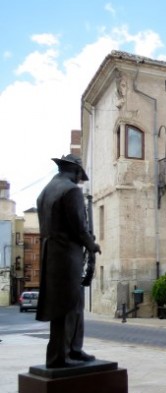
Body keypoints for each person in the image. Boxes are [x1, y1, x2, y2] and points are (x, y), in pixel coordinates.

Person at [36, 154, 101, 368]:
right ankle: (61, 356)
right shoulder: (71, 191)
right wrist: (92, 246)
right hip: (66, 255)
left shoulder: (46, 191)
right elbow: (78, 227)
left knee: (70, 304)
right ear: (74, 172)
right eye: (79, 176)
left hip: (51, 254)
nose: (79, 180)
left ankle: (73, 349)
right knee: (69, 305)